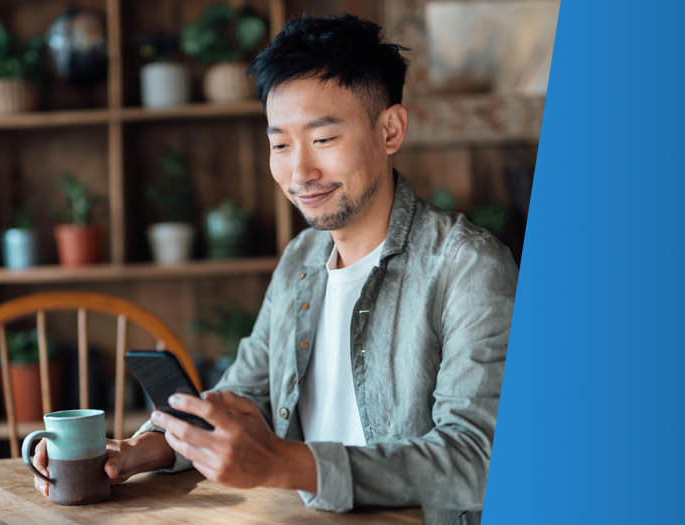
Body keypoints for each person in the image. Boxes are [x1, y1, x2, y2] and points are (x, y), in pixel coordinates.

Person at [32, 13, 517, 523]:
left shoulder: (468, 265)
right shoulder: (301, 260)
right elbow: (248, 395)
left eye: (324, 139)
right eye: (281, 144)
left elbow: (477, 457)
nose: (300, 172)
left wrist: (290, 465)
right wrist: (146, 449)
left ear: (390, 129)